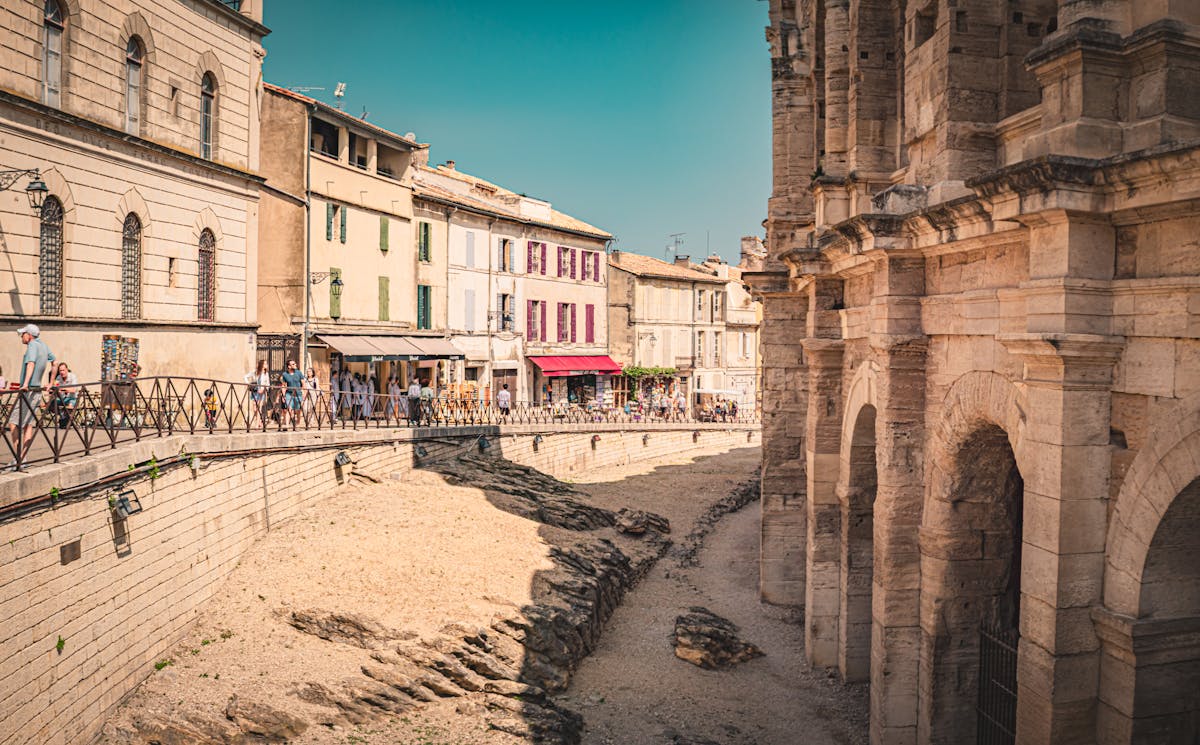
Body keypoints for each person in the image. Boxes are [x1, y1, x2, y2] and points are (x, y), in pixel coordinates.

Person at [7, 324, 54, 468]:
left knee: (13, 423)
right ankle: (23, 458)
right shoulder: (44, 346)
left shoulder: (32, 345)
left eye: (23, 334)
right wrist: (50, 383)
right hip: (37, 391)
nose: (22, 336)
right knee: (28, 425)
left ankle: (19, 458)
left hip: (28, 392)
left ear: (29, 335)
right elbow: (55, 362)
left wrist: (25, 384)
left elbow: (31, 364)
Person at [49, 361, 78, 428]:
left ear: (67, 370)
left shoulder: (72, 377)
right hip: (62, 399)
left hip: (71, 398)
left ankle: (66, 420)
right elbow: (55, 386)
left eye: (63, 370)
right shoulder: (58, 377)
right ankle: (62, 417)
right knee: (52, 403)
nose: (62, 372)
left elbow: (74, 390)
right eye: (60, 371)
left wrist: (63, 389)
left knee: (69, 406)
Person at [244, 359, 270, 425]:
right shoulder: (255, 372)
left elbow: (268, 384)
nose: (266, 365)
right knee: (255, 408)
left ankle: (257, 423)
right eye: (265, 364)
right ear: (261, 365)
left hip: (262, 392)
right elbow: (245, 376)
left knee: (259, 408)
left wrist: (264, 389)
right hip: (255, 391)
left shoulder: (266, 374)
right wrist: (249, 384)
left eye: (266, 364)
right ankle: (260, 420)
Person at [280, 359, 303, 429]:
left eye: (295, 364)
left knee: (298, 409)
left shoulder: (299, 373)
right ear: (289, 366)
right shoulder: (285, 374)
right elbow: (284, 385)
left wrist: (304, 394)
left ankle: (298, 423)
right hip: (289, 393)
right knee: (288, 409)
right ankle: (287, 425)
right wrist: (283, 396)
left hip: (298, 393)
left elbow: (303, 383)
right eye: (293, 364)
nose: (295, 365)